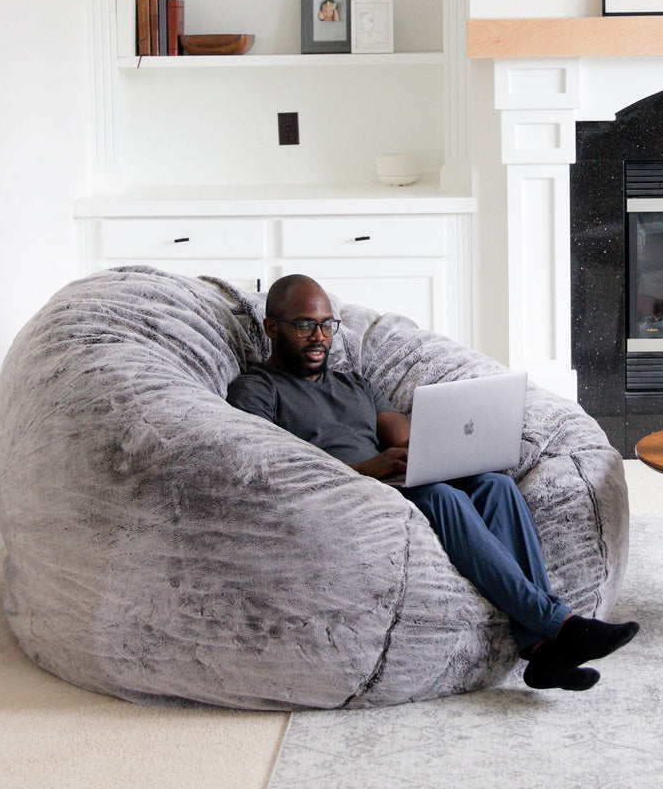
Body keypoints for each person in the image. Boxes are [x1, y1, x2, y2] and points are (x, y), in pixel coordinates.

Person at [227, 274, 638, 692]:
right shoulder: (257, 389)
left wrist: (457, 430)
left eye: (327, 325)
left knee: (497, 486)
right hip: (353, 494)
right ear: (271, 327)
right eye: (304, 326)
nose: (319, 337)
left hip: (398, 478)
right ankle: (560, 624)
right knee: (443, 497)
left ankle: (540, 652)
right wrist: (369, 467)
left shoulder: (356, 385)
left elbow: (405, 437)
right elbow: (273, 465)